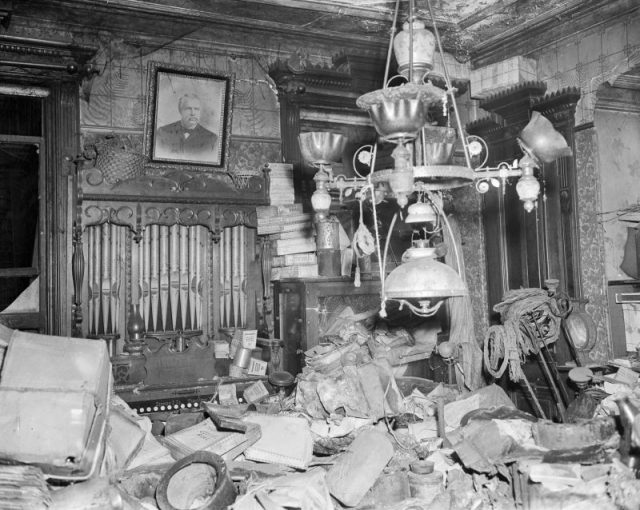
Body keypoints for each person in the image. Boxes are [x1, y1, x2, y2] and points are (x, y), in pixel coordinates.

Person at [155, 93, 219, 161]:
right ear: (180, 111)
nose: (193, 113)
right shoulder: (163, 132)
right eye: (188, 109)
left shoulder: (212, 139)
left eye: (196, 109)